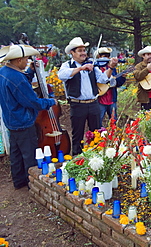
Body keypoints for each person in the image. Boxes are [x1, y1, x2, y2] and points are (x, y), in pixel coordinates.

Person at [0, 44, 57, 189]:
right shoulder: (17, 78)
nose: (27, 62)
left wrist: (31, 72)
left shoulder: (4, 71)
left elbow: (20, 88)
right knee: (29, 154)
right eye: (25, 59)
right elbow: (32, 101)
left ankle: (19, 182)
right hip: (23, 121)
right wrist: (51, 101)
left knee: (16, 154)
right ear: (18, 60)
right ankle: (32, 183)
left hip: (11, 120)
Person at [58, 37, 118, 155]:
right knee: (77, 134)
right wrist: (80, 68)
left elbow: (103, 78)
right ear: (72, 53)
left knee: (96, 132)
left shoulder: (91, 65)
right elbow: (62, 75)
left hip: (93, 103)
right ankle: (77, 158)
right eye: (80, 50)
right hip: (77, 104)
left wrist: (111, 67)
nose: (83, 53)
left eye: (84, 50)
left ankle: (95, 157)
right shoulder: (67, 65)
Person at [96, 47, 126, 126]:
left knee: (113, 121)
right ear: (99, 56)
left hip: (111, 99)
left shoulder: (113, 69)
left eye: (107, 55)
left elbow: (118, 83)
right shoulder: (96, 68)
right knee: (98, 121)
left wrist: (122, 77)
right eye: (103, 55)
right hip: (100, 99)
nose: (106, 57)